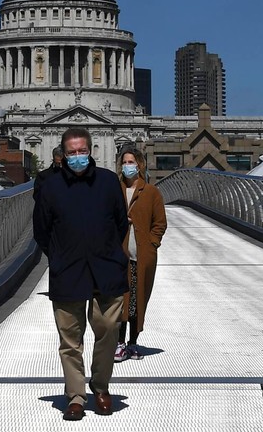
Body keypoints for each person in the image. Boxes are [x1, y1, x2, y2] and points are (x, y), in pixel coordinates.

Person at [32, 128, 129, 421]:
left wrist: (108, 250)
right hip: (68, 270)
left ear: (91, 150)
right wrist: (58, 256)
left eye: (82, 151)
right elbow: (41, 230)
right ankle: (75, 396)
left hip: (106, 267)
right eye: (72, 152)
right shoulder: (49, 186)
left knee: (108, 330)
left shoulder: (108, 182)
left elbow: (120, 223)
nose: (78, 157)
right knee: (70, 340)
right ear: (63, 155)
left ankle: (100, 386)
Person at [114, 146, 167, 362]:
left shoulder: (151, 192)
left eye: (131, 162)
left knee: (137, 300)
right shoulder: (114, 190)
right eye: (124, 162)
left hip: (141, 257)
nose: (128, 166)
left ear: (139, 165)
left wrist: (152, 244)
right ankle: (119, 342)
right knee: (120, 301)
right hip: (119, 257)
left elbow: (160, 223)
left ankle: (133, 342)